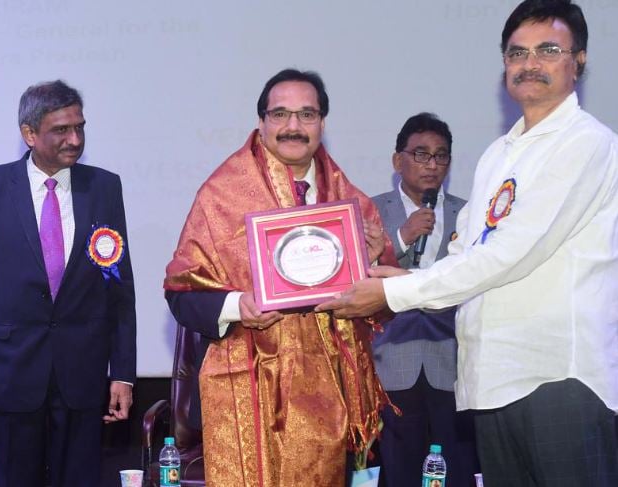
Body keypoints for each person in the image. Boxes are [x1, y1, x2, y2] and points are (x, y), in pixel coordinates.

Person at [317, 1, 618, 484]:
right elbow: (466, 253)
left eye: (548, 50)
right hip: (491, 381)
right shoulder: (499, 155)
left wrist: (394, 294)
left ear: (578, 61)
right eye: (516, 53)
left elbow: (512, 253)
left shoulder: (587, 144)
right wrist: (401, 277)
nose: (529, 63)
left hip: (557, 378)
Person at [164, 68, 393, 486]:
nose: (293, 127)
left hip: (328, 395)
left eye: (307, 115)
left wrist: (371, 265)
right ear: (262, 122)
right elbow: (181, 292)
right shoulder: (220, 195)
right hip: (245, 385)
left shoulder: (351, 204)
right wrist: (237, 306)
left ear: (323, 123)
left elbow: (384, 303)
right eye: (280, 114)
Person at [0, 80, 136, 487]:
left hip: (82, 378)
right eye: (61, 130)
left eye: (80, 127)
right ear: (29, 133)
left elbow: (120, 289)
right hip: (10, 376)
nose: (75, 139)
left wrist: (122, 372)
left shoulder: (104, 187)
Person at [371, 113, 477, 487]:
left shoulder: (471, 213)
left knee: (458, 468)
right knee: (398, 470)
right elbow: (358, 275)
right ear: (397, 160)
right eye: (420, 154)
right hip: (391, 359)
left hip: (453, 361)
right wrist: (401, 237)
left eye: (441, 156)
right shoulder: (370, 211)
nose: (432, 165)